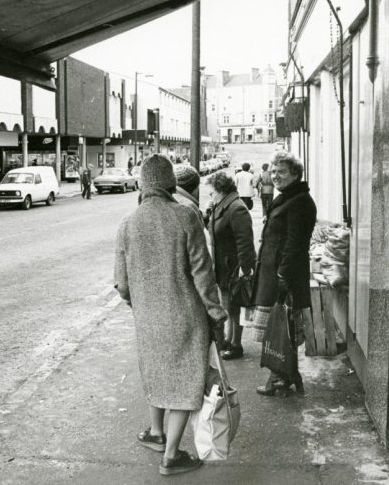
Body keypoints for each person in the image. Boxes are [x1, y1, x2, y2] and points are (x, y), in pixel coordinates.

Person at [114, 155, 226, 477]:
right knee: (183, 382)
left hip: (148, 321)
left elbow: (122, 285)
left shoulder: (127, 224)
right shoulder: (185, 216)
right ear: (170, 184)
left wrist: (144, 306)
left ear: (141, 184)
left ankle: (156, 433)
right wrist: (216, 313)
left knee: (158, 375)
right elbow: (203, 274)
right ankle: (172, 456)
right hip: (186, 317)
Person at [254, 151, 316, 396]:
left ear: (295, 174)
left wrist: (282, 277)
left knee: (279, 327)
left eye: (280, 172)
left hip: (283, 275)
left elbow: (295, 244)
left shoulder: (299, 201)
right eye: (272, 171)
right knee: (280, 326)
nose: (274, 176)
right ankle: (286, 374)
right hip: (275, 271)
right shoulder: (288, 197)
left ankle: (279, 376)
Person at [205, 170, 256, 360]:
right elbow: (215, 231)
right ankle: (228, 338)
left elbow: (245, 240)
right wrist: (207, 214)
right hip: (224, 266)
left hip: (235, 266)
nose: (211, 196)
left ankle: (237, 344)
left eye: (212, 192)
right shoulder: (222, 206)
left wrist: (245, 267)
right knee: (228, 305)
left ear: (221, 190)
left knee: (235, 307)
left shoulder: (236, 208)